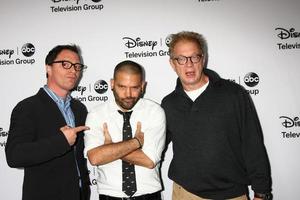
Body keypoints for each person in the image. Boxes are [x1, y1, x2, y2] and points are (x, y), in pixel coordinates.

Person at [161, 31, 272, 200]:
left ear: (203, 59)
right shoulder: (169, 103)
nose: (189, 64)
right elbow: (156, 146)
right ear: (172, 63)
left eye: (194, 57)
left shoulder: (233, 94)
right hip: (185, 194)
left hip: (232, 194)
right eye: (181, 59)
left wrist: (261, 192)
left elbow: (253, 144)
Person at [5, 44, 91, 200]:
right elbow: (14, 156)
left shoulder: (79, 109)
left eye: (77, 66)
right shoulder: (28, 107)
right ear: (48, 68)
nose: (73, 70)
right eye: (65, 64)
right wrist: (61, 141)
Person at [84, 60, 166, 200]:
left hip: (148, 196)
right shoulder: (96, 114)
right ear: (112, 84)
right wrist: (136, 142)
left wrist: (109, 147)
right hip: (110, 196)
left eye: (134, 87)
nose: (128, 94)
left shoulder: (154, 112)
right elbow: (95, 157)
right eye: (122, 87)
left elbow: (149, 160)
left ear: (142, 86)